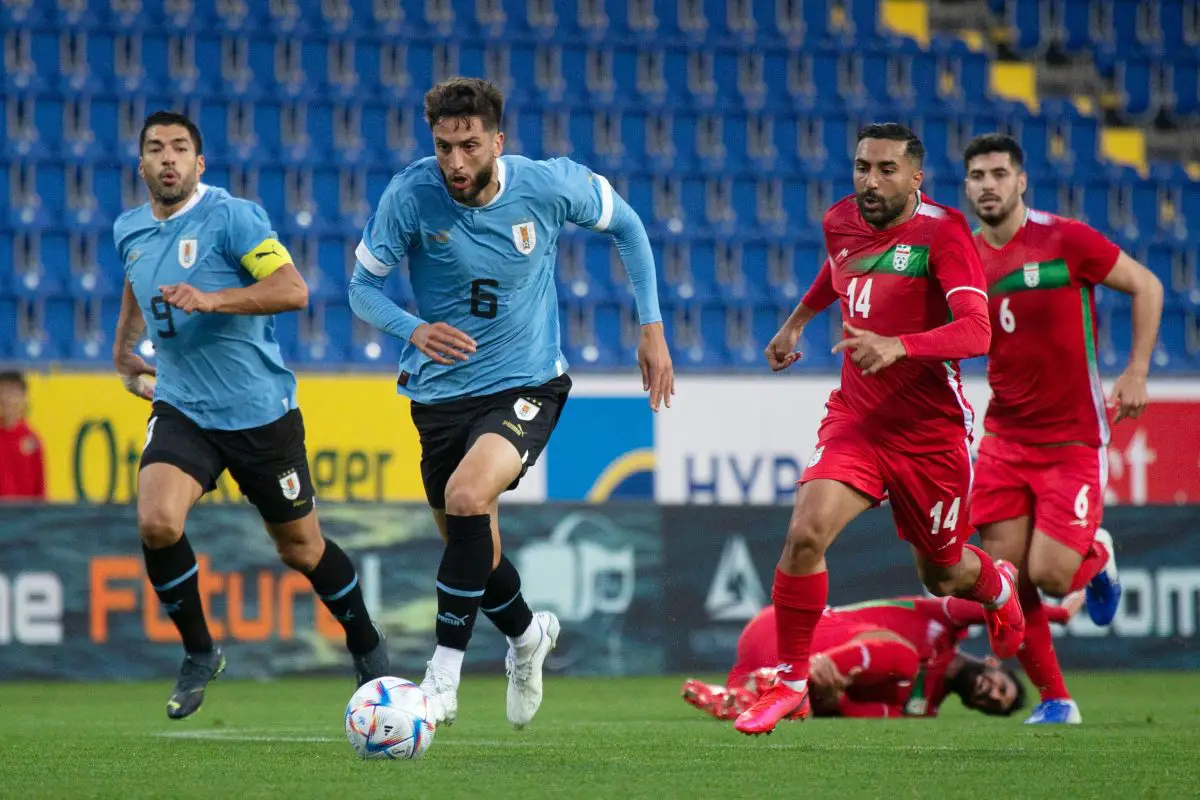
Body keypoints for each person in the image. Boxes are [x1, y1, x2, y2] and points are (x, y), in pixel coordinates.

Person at [348, 77, 673, 730]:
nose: (456, 164)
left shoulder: (549, 185)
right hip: (439, 396)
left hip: (526, 383)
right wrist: (411, 329)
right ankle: (527, 638)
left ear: (498, 140)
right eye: (444, 147)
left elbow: (629, 227)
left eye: (469, 146)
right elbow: (361, 288)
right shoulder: (410, 194)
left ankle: (441, 677)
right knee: (472, 543)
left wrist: (652, 325)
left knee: (469, 498)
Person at [735, 123, 1024, 736]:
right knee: (806, 533)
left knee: (940, 574)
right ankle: (790, 683)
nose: (870, 180)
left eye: (886, 169)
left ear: (915, 177)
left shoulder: (943, 234)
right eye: (863, 165)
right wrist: (797, 323)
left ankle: (996, 583)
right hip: (858, 419)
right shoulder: (841, 220)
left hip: (931, 433)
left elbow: (977, 331)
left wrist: (901, 345)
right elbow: (836, 270)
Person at [111, 110, 389, 720]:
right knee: (157, 521)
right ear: (141, 164)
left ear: (199, 163)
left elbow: (293, 290)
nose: (168, 158)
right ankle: (200, 651)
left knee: (301, 549)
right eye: (156, 149)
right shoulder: (129, 229)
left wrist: (212, 298)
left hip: (260, 413)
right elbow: (136, 279)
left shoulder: (233, 217)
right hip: (183, 406)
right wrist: (123, 344)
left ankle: (366, 643)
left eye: (180, 148)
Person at [962, 134, 1163, 724]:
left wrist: (1137, 371)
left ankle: (1096, 556)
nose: (988, 185)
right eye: (977, 175)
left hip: (1072, 440)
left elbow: (1147, 286)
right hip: (1004, 439)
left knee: (1050, 575)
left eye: (1000, 173)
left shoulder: (1065, 240)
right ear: (967, 185)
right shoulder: (967, 257)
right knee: (1003, 581)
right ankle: (1057, 701)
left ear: (1021, 181)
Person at [685, 582, 1085, 720]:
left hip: (770, 671)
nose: (990, 693)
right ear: (993, 663)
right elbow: (991, 603)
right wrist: (1056, 615)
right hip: (787, 630)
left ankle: (743, 696)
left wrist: (837, 697)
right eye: (1001, 686)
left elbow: (865, 716)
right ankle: (792, 680)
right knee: (904, 660)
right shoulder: (941, 620)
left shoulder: (922, 707)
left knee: (865, 703)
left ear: (977, 709)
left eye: (993, 704)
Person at [0, 371, 46, 500]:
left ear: (23, 397)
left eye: (13, 392)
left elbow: (40, 489)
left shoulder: (32, 440)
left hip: (24, 516)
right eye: (3, 391)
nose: (8, 398)